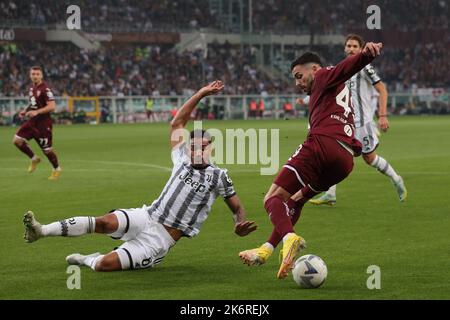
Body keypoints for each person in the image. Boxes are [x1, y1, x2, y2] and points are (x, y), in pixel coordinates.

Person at [23, 81, 257, 272]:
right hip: (147, 215)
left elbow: (237, 208)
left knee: (105, 265)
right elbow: (177, 122)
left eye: (203, 146)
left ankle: (88, 259)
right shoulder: (181, 158)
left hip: (161, 239)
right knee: (104, 222)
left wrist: (238, 224)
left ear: (211, 148)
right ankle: (41, 230)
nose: (198, 150)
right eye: (194, 146)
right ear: (188, 148)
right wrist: (202, 93)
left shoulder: (218, 176)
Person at [239, 43, 384, 279]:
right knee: (296, 200)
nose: (297, 82)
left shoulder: (324, 75)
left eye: (299, 76)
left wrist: (364, 55)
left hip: (322, 145)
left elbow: (346, 67)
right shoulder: (333, 89)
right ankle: (265, 251)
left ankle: (290, 238)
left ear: (314, 69)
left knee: (273, 198)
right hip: (344, 160)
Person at [310, 34, 407, 206]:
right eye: (349, 46)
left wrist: (383, 115)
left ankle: (396, 179)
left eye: (355, 46)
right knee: (335, 156)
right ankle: (330, 194)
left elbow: (382, 89)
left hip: (363, 123)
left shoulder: (365, 67)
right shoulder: (341, 68)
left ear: (361, 49)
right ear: (344, 48)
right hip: (345, 122)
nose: (351, 49)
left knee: (369, 159)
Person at [12, 66, 62, 180]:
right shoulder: (31, 88)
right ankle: (34, 158)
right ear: (30, 75)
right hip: (32, 122)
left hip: (43, 124)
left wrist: (37, 112)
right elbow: (33, 104)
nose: (35, 76)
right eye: (33, 74)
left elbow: (52, 106)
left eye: (37, 74)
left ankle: (57, 169)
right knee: (17, 141)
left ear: (41, 75)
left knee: (47, 149)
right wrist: (25, 111)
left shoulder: (45, 89)